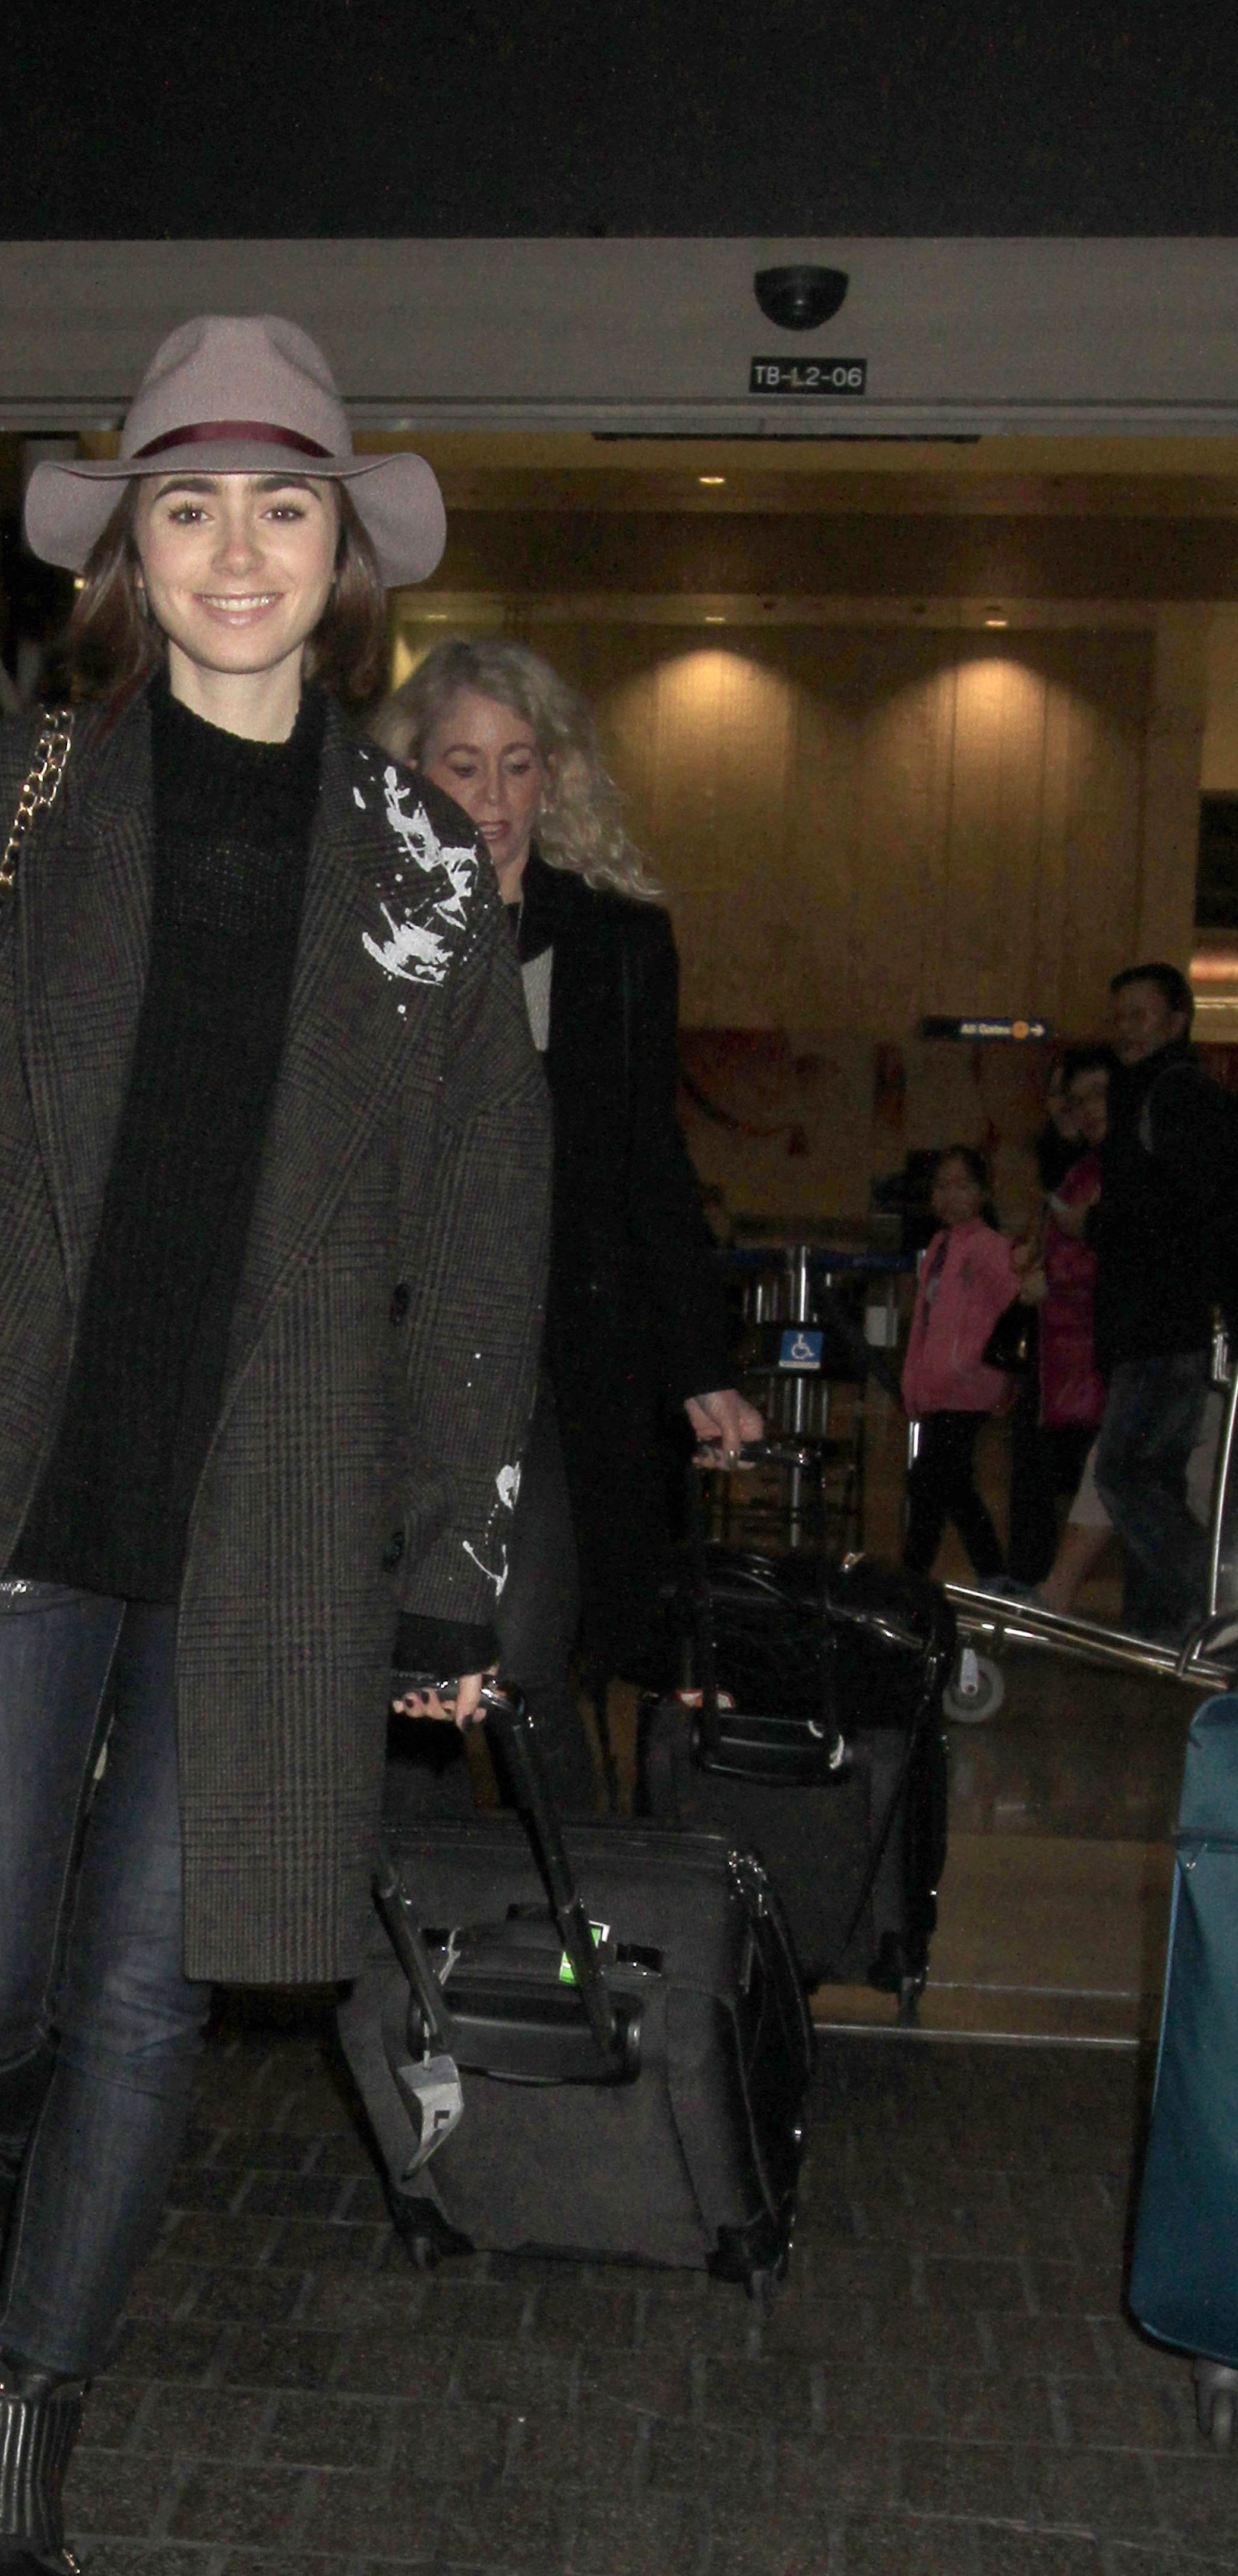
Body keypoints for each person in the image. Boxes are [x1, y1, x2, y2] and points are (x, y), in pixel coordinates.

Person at [0, 317, 550, 2576]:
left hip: (270, 1513)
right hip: (7, 1478)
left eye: (282, 506)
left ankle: (16, 2428)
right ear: (129, 557)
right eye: (188, 505)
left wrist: (452, 1559)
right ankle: (35, 2167)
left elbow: (479, 1226)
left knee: (150, 1985)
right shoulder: (15, 802)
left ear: (341, 557)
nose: (235, 549)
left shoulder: (415, 868)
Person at [369, 639, 758, 1789]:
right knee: (402, 1655)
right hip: (388, 1344)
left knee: (527, 1642)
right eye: (462, 767)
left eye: (517, 764)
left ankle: (574, 1888)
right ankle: (409, 1889)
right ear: (412, 774)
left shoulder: (615, 939)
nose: (492, 798)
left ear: (553, 776)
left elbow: (648, 1163)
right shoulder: (363, 933)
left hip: (554, 1347)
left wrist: (699, 1363)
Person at [1048, 962, 1238, 1635]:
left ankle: (1215, 1604)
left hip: (1168, 1326)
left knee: (1127, 1473)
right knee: (1147, 1474)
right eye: (1116, 1017)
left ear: (1176, 1019)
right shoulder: (1152, 1095)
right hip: (1158, 1326)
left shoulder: (1175, 1095)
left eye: (1139, 1014)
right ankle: (1197, 1611)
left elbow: (1190, 1209)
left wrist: (1098, 1224)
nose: (1124, 1029)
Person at [1007, 1047, 1112, 1595]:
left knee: (1101, 1479)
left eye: (1093, 1097)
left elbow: (1111, 1256)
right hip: (1060, 1350)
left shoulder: (1108, 1167)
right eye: (1067, 1097)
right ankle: (1039, 1591)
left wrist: (1055, 1279)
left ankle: (1047, 1593)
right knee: (1050, 1475)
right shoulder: (1075, 1168)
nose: (1070, 1109)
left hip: (1089, 1352)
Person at [901, 1144, 1021, 1581]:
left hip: (969, 1386)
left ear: (982, 1193)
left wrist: (1000, 1374)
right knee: (942, 1485)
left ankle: (925, 1575)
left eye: (961, 1186)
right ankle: (939, 1574)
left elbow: (1014, 1310)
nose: (949, 1196)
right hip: (939, 1387)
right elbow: (924, 1321)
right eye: (941, 1186)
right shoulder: (940, 1246)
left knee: (936, 1481)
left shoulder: (990, 1247)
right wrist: (912, 1381)